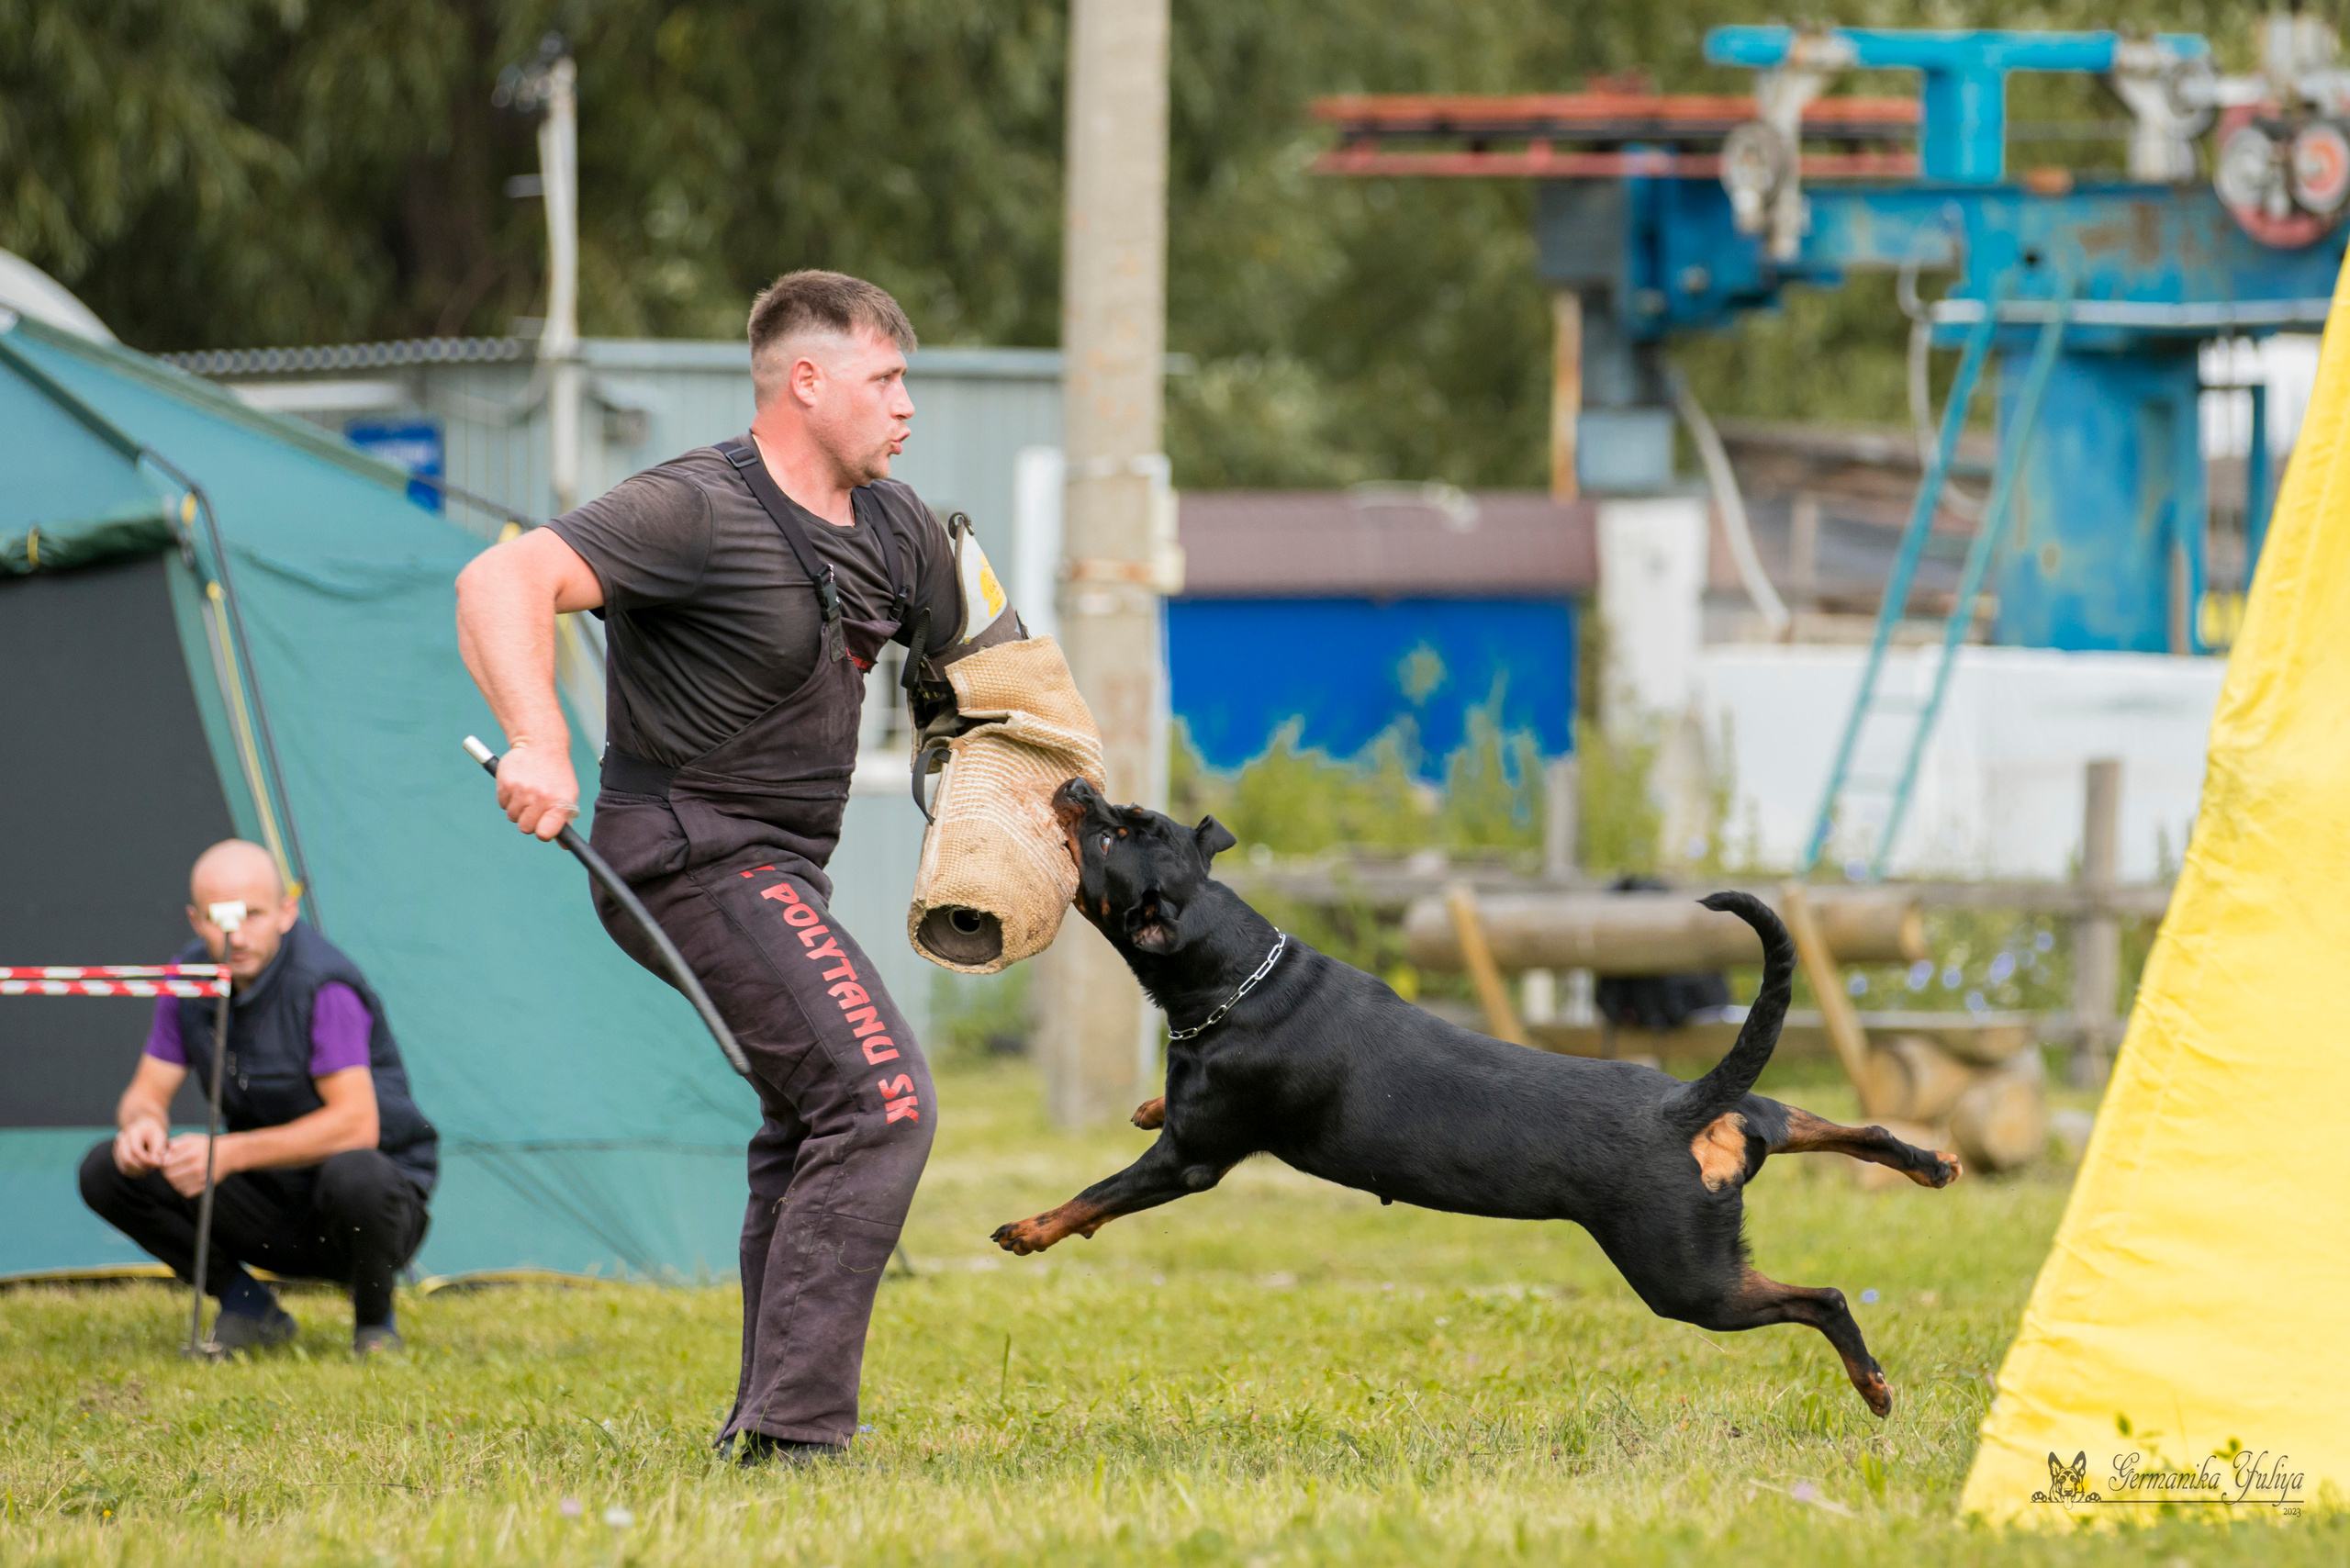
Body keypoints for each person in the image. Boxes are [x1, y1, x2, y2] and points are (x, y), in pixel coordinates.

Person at [454, 270, 1018, 1464]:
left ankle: (766, 1428)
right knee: (880, 1104)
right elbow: (501, 579)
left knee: (812, 1119)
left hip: (777, 872)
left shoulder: (899, 528)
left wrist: (1044, 800)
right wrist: (540, 742)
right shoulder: (694, 509)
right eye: (886, 378)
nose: (906, 404)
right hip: (688, 855)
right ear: (805, 383)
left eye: (907, 379)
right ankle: (800, 1436)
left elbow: (1004, 669)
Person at [77, 840, 438, 1354]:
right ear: (195, 920)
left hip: (364, 1215)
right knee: (106, 1168)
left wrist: (226, 1153)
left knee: (356, 1172)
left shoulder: (324, 985)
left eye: (253, 915)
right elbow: (144, 1094)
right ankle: (249, 1306)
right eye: (220, 919)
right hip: (269, 1200)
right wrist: (143, 1127)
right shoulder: (187, 979)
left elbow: (357, 1126)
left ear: (287, 912)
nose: (237, 936)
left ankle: (375, 1327)